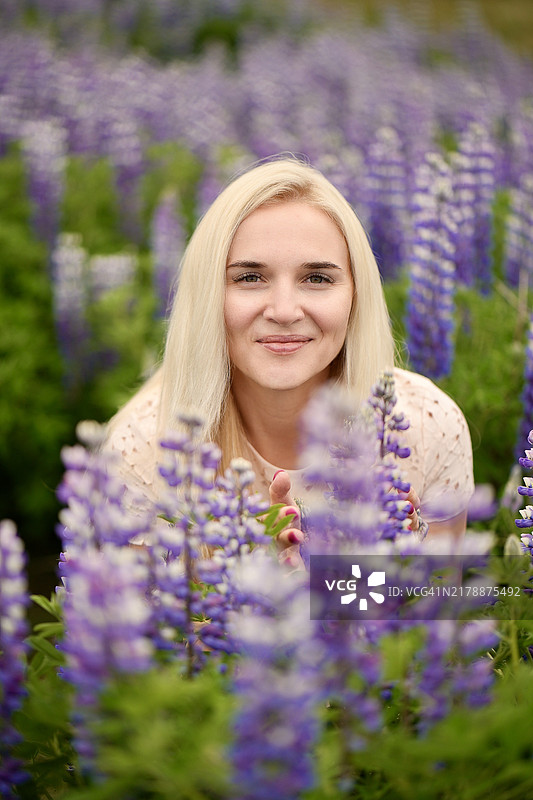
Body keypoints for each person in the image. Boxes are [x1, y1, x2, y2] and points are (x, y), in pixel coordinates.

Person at [103, 156, 474, 561]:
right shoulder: (148, 449)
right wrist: (266, 583)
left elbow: (443, 601)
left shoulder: (425, 428)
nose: (283, 311)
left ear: (356, 295)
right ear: (208, 294)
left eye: (317, 278)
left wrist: (386, 571)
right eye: (249, 277)